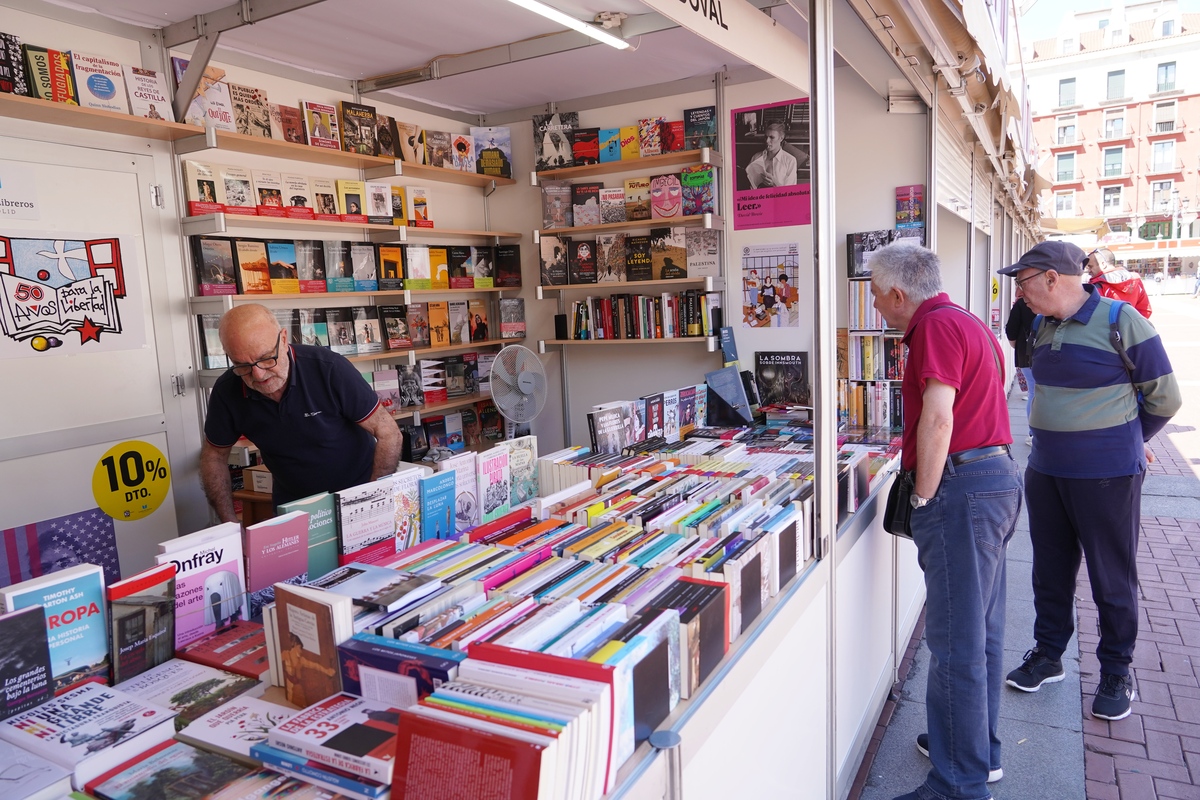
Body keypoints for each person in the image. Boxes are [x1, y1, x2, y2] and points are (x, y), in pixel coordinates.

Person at [998, 240, 1181, 721]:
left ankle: (1117, 670)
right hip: (1046, 470)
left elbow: (1165, 397)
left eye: (1024, 283)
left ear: (1052, 278)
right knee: (1049, 570)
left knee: (1111, 576)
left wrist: (1127, 439)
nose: (1020, 294)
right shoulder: (1039, 324)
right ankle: (1048, 654)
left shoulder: (1123, 321)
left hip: (1107, 477)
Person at [868, 240, 1022, 800]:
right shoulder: (966, 320)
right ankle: (976, 751)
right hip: (994, 479)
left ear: (898, 293)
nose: (877, 308)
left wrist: (926, 497)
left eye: (878, 295)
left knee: (956, 640)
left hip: (962, 491)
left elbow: (938, 418)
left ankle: (958, 783)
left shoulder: (932, 328)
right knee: (979, 632)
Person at [199, 304, 402, 521]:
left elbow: (389, 433)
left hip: (357, 494)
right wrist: (229, 525)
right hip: (293, 505)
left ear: (284, 339)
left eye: (267, 358)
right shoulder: (227, 390)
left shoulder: (329, 368)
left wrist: (373, 497)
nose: (258, 375)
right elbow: (213, 457)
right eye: (243, 366)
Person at [1004, 289, 1037, 445]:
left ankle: (1033, 434)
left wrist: (1019, 346)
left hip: (1027, 354)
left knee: (1033, 392)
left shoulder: (1022, 303)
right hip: (1050, 352)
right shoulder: (1053, 300)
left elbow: (1011, 330)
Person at [1085, 247, 1152, 318]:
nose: (1089, 270)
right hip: (1131, 326)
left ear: (1103, 264)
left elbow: (1094, 314)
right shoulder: (1135, 280)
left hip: (1108, 327)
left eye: (1090, 266)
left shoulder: (1098, 285)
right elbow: (1145, 310)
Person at [745, 121, 797, 189]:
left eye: (772, 137)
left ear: (781, 138)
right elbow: (750, 187)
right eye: (766, 137)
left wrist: (774, 183)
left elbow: (791, 192)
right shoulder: (756, 157)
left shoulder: (790, 160)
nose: (767, 141)